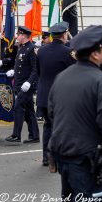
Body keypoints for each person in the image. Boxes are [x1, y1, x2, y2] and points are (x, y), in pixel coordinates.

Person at [48, 25, 102, 202]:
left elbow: (53, 115)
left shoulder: (62, 77)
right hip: (89, 162)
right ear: (95, 53)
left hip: (65, 157)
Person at [36, 22, 76, 168]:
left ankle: (46, 157)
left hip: (44, 95)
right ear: (64, 34)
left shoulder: (41, 51)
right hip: (61, 96)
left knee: (48, 126)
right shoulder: (68, 52)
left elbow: (39, 72)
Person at [5, 26, 39, 144]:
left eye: (18, 35)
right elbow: (21, 66)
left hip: (27, 86)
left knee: (18, 107)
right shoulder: (21, 48)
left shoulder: (32, 48)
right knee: (29, 110)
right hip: (20, 84)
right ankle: (34, 135)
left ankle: (16, 135)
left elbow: (36, 69)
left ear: (24, 36)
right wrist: (13, 71)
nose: (16, 36)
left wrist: (29, 82)